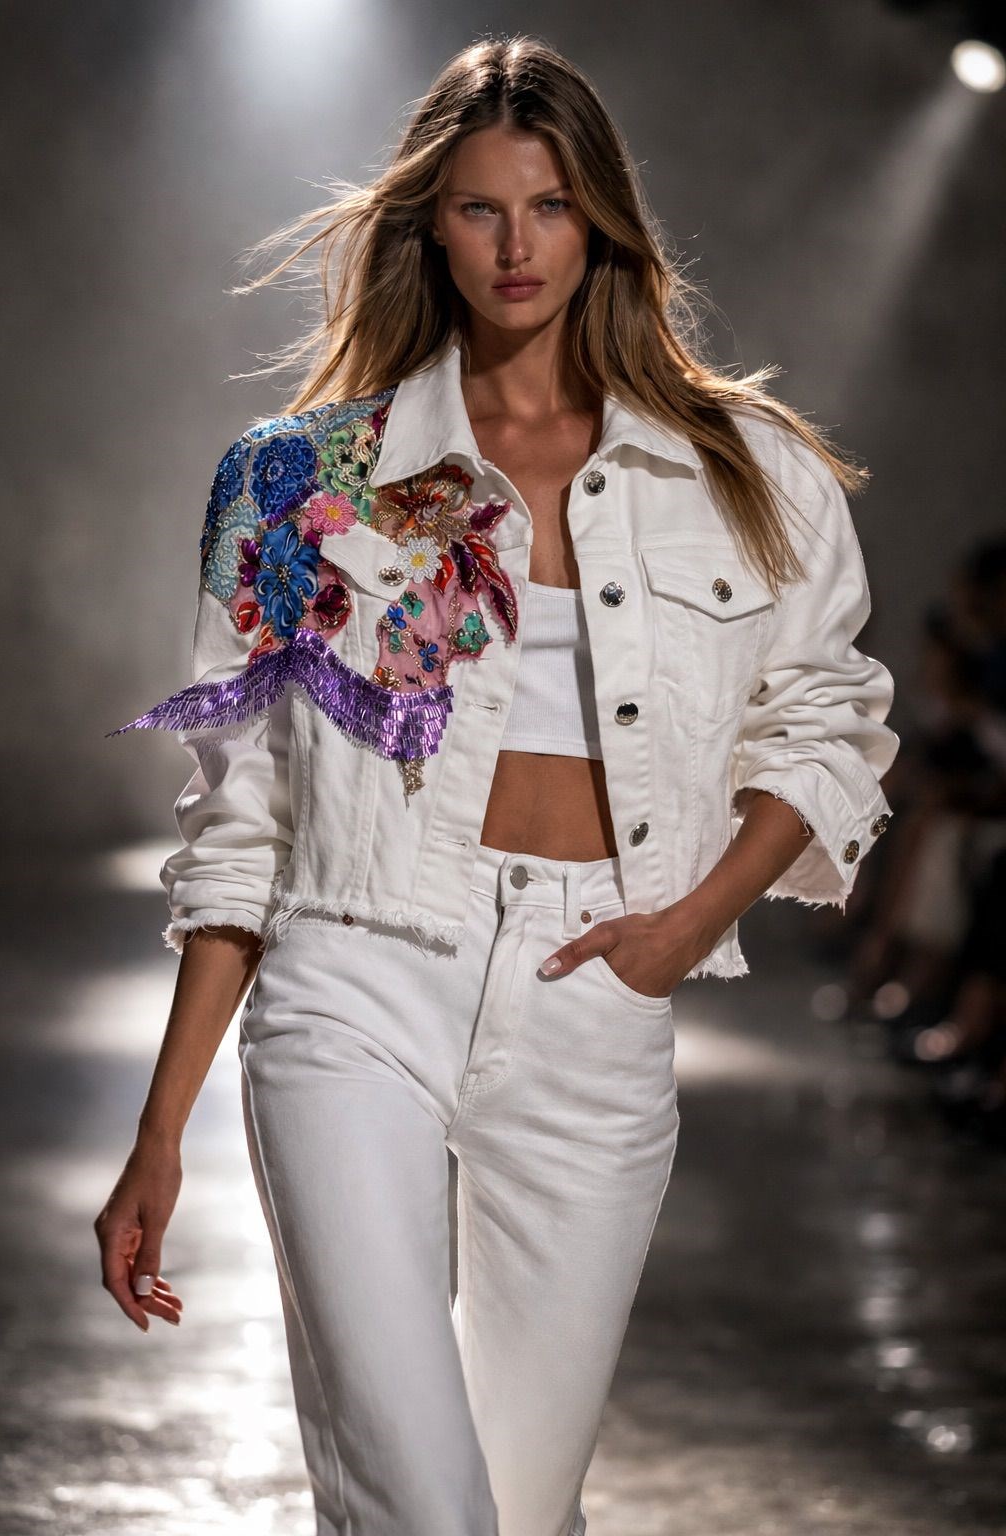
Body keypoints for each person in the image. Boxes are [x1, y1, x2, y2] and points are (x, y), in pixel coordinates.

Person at [94, 35, 899, 1536]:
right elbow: (245, 823)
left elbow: (830, 725)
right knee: (423, 1504)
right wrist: (159, 1131)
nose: (517, 245)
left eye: (549, 205)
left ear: (601, 220)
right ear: (432, 225)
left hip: (598, 986)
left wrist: (686, 926)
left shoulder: (744, 470)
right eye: (480, 208)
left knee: (522, 1513)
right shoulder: (302, 480)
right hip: (359, 969)